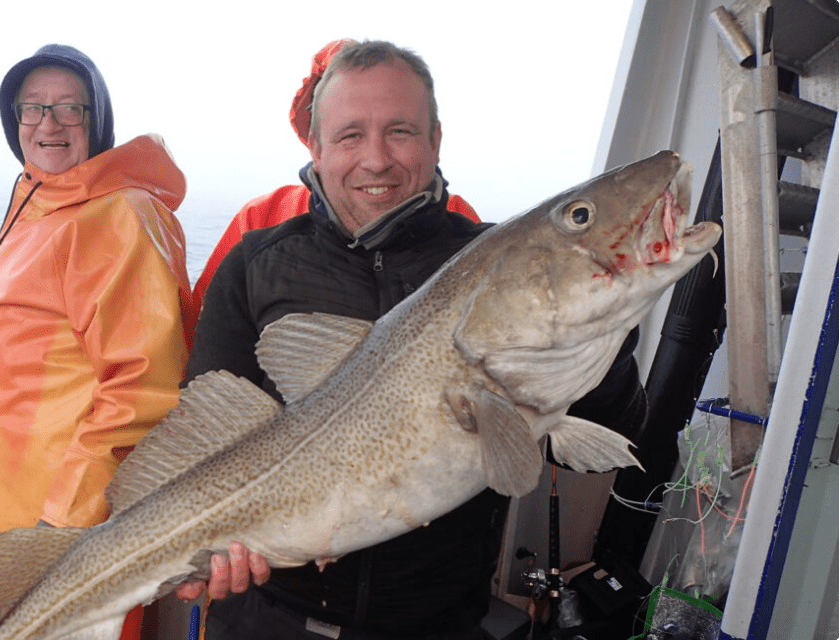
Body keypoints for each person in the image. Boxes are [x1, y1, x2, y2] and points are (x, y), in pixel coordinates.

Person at [182, 40, 647, 639]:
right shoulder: (255, 264)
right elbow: (203, 436)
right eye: (350, 136)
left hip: (437, 623)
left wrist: (599, 327)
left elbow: (607, 431)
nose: (376, 160)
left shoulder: (492, 264)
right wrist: (210, 553)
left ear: (435, 140)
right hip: (266, 619)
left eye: (400, 131)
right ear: (316, 148)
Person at [0, 44, 197, 640]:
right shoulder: (42, 204)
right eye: (32, 108)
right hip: (20, 525)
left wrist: (64, 527)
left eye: (71, 109)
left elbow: (144, 390)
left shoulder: (116, 215)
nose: (49, 124)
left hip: (75, 534)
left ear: (100, 120)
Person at [191, 38, 479, 309]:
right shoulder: (257, 220)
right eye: (350, 130)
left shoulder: (460, 220)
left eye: (396, 129)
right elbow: (204, 332)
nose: (375, 160)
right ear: (315, 134)